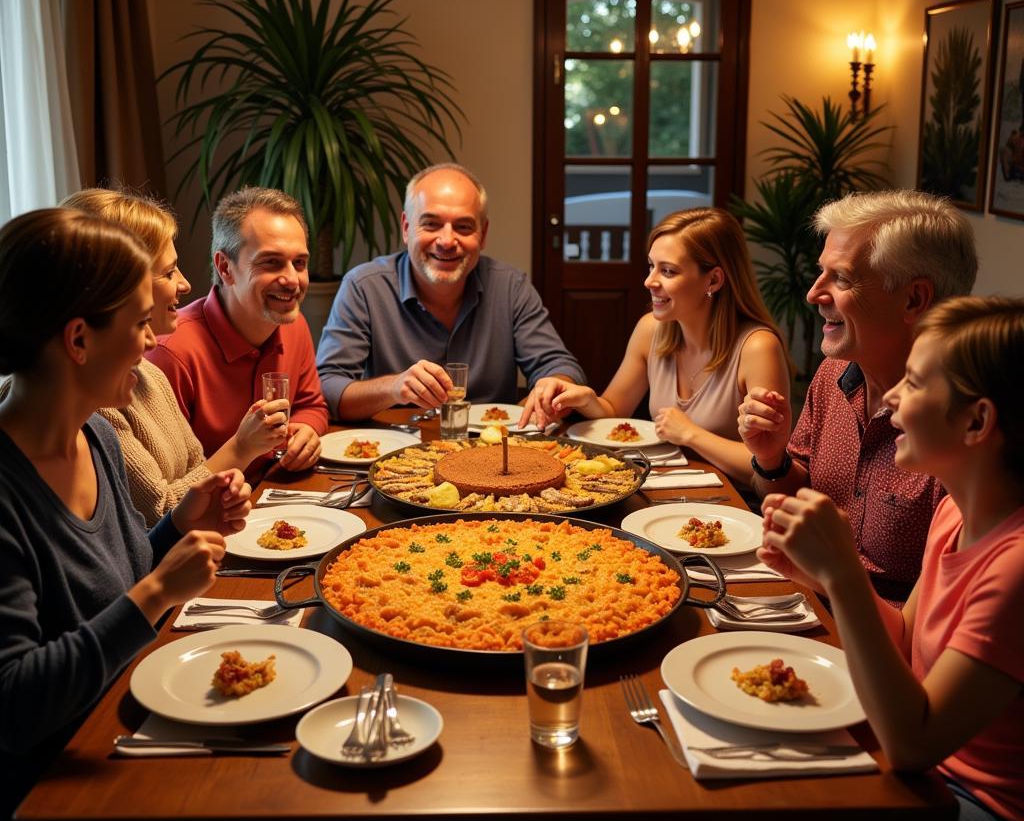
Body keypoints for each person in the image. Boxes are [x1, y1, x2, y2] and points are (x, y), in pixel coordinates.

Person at [0, 209, 251, 819]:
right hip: (58, 797)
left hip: (129, 722)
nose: (150, 341)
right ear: (79, 339)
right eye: (139, 323)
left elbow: (123, 573)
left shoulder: (97, 439)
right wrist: (159, 591)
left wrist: (178, 526)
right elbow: (12, 706)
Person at [759, 296, 1024, 821]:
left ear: (977, 421)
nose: (893, 398)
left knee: (736, 811)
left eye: (916, 383)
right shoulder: (955, 510)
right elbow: (904, 639)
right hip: (927, 766)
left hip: (980, 807)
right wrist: (818, 576)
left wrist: (845, 578)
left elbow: (913, 745)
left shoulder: (1016, 565)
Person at [739, 189, 978, 604]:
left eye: (843, 278)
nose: (814, 294)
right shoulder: (834, 375)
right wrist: (773, 459)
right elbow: (798, 503)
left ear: (914, 298)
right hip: (805, 598)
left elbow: (940, 624)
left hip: (881, 644)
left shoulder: (964, 430)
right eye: (821, 272)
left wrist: (838, 588)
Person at [62, 188, 289, 524]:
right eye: (168, 273)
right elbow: (158, 512)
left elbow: (198, 465)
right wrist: (241, 449)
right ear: (117, 287)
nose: (184, 284)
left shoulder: (149, 375)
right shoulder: (96, 400)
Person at [519, 208, 790, 486]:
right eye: (651, 266)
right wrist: (587, 399)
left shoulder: (758, 348)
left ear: (713, 280)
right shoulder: (651, 329)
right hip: (666, 488)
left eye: (668, 271)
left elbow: (770, 467)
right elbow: (614, 411)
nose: (649, 281)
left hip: (733, 506)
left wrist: (690, 434)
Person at [316, 163, 586, 419]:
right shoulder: (364, 287)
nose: (446, 241)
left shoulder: (511, 287)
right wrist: (394, 387)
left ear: (483, 234)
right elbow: (328, 388)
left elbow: (561, 368)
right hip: (396, 453)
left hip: (491, 453)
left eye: (464, 226)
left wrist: (555, 386)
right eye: (431, 224)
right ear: (407, 228)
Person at [147, 187, 328, 471]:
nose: (293, 279)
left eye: (300, 263)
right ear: (225, 267)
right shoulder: (170, 354)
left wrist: (305, 430)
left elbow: (312, 405)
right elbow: (168, 487)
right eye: (272, 262)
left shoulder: (295, 326)